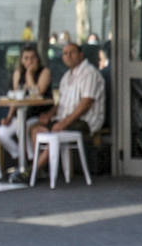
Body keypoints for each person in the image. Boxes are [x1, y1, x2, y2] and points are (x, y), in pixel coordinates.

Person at [23, 40, 104, 180]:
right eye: (65, 53)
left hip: (86, 121)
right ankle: (42, 169)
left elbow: (85, 104)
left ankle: (32, 171)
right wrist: (48, 115)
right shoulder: (67, 76)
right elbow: (61, 103)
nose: (68, 56)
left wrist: (64, 123)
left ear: (80, 54)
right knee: (36, 128)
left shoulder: (89, 73)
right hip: (65, 118)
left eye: (72, 53)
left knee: (56, 130)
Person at [0, 43, 51, 168]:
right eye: (26, 58)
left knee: (23, 128)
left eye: (32, 57)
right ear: (21, 59)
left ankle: (31, 162)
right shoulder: (17, 73)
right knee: (1, 133)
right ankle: (20, 157)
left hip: (37, 114)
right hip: (20, 114)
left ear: (37, 59)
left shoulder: (44, 72)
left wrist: (29, 74)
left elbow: (37, 94)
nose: (29, 61)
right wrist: (9, 117)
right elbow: (15, 98)